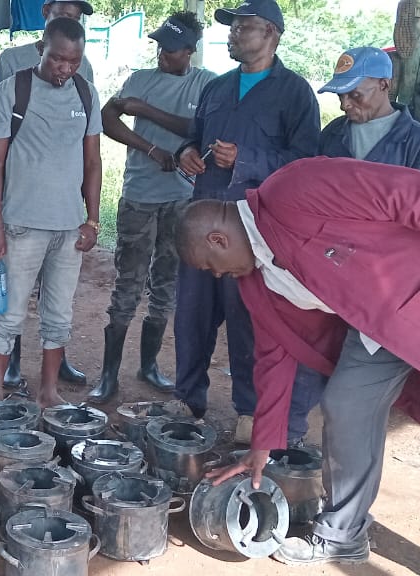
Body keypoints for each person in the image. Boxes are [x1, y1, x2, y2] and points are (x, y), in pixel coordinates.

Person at [180, 157, 420, 574]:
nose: (219, 276)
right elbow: (274, 356)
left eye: (210, 267)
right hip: (380, 329)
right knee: (347, 406)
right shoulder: (258, 281)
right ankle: (343, 535)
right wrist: (263, 444)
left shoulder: (293, 188)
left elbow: (414, 193)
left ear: (218, 239)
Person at [172, 0, 321, 447]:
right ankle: (188, 400)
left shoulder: (295, 93)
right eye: (233, 27)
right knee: (192, 315)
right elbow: (193, 137)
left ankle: (248, 410)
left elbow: (307, 162)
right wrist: (186, 154)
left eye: (244, 27)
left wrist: (248, 161)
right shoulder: (218, 88)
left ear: (272, 35)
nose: (234, 34)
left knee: (247, 319)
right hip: (204, 223)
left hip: (253, 233)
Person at [86, 12, 216, 405]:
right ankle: (109, 375)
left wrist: (146, 110)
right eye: (160, 45)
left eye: (172, 49)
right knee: (128, 282)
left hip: (183, 198)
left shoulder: (207, 84)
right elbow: (107, 117)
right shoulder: (139, 78)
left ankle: (149, 365)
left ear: (190, 51)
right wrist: (150, 147)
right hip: (139, 195)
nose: (163, 53)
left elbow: (199, 129)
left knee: (166, 283)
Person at [0, 17, 102, 407]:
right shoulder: (11, 91)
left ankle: (49, 392)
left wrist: (92, 219)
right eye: (57, 60)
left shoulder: (86, 93)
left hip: (69, 229)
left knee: (58, 315)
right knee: (7, 315)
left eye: (74, 61)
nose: (65, 69)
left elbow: (93, 161)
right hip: (19, 226)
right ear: (41, 50)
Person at [317, 46, 420, 179]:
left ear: (384, 85)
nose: (344, 105)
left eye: (355, 95)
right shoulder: (333, 132)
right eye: (340, 96)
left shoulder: (416, 138)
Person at [0, 0, 96, 87]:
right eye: (65, 17)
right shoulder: (12, 59)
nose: (69, 25)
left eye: (76, 19)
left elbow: (88, 108)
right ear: (46, 11)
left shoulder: (83, 65)